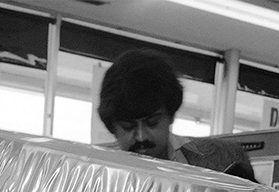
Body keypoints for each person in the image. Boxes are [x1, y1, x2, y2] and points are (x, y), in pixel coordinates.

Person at [97, 48, 256, 180]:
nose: (141, 137)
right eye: (128, 126)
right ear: (112, 128)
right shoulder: (98, 174)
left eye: (152, 122)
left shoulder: (223, 159)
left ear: (171, 115)